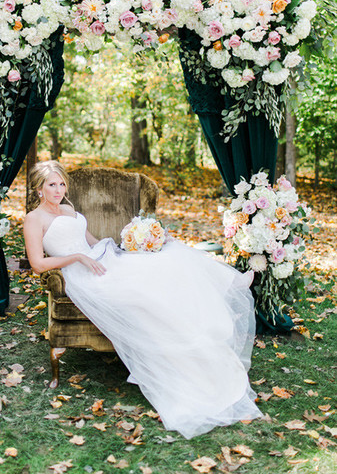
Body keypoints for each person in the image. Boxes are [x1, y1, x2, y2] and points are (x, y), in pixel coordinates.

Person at [23, 160, 262, 439]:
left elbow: (92, 242)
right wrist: (77, 257)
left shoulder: (68, 209)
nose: (58, 189)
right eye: (52, 185)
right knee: (146, 286)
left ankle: (225, 282)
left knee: (166, 256)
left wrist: (126, 248)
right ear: (39, 189)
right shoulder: (34, 219)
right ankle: (222, 288)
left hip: (100, 258)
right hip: (81, 274)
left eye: (62, 184)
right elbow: (37, 264)